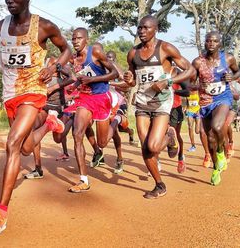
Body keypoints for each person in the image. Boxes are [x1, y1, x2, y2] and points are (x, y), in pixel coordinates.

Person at [0, 0, 71, 236]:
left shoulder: (43, 27)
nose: (10, 0)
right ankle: (50, 123)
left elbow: (65, 50)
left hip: (33, 91)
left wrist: (53, 66)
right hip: (10, 94)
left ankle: (1, 214)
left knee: (12, 145)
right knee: (27, 148)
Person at [123, 15, 195, 199]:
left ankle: (170, 137)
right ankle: (159, 185)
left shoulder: (165, 48)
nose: (142, 31)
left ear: (156, 29)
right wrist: (129, 79)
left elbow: (190, 70)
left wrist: (168, 81)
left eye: (146, 28)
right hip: (142, 101)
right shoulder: (133, 53)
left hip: (162, 100)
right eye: (139, 28)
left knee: (154, 146)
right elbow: (132, 81)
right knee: (145, 148)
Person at [64, 27, 123, 193]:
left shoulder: (95, 51)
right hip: (84, 99)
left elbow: (113, 73)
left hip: (101, 97)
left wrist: (93, 79)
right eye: (73, 38)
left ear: (86, 40)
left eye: (79, 38)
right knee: (77, 134)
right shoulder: (74, 58)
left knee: (103, 143)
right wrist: (74, 86)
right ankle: (84, 180)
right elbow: (81, 78)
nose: (75, 41)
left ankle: (116, 120)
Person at [191, 31, 240, 186]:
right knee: (210, 139)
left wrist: (232, 77)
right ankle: (216, 167)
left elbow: (238, 71)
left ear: (220, 43)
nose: (211, 44)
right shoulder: (198, 62)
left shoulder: (228, 58)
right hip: (205, 101)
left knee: (217, 126)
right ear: (205, 43)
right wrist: (199, 85)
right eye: (208, 41)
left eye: (214, 41)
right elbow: (190, 84)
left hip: (223, 98)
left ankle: (221, 154)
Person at [24, 57, 76, 179]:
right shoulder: (32, 62)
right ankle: (38, 169)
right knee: (31, 128)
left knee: (57, 139)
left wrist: (53, 88)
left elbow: (72, 78)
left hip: (56, 104)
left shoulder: (53, 61)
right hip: (42, 104)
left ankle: (72, 119)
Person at [168, 68, 190, 174]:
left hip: (175, 109)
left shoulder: (176, 72)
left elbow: (187, 92)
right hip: (160, 108)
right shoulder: (157, 70)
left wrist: (174, 91)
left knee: (176, 134)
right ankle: (156, 160)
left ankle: (181, 158)